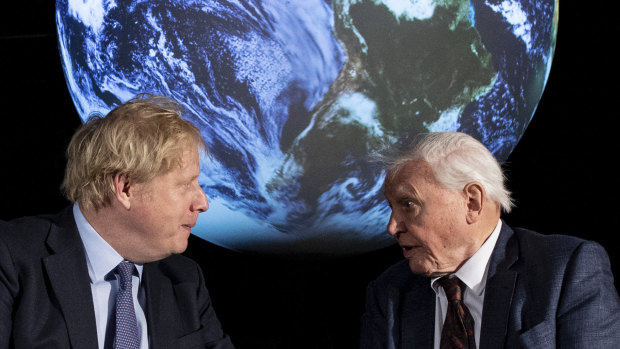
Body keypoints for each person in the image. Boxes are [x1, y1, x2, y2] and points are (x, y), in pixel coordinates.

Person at [0, 94, 234, 348]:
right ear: (125, 188)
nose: (202, 203)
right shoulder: (10, 256)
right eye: (184, 184)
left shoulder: (185, 280)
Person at [360, 132, 620, 348]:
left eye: (408, 204)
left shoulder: (565, 271)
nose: (392, 227)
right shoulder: (390, 293)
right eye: (391, 207)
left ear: (472, 202)